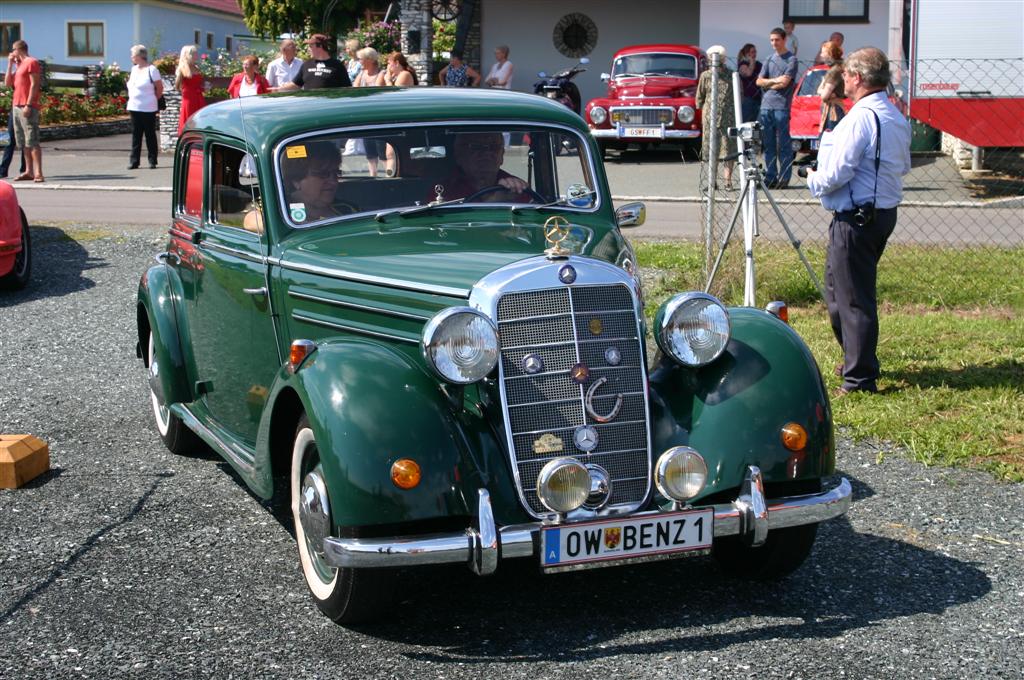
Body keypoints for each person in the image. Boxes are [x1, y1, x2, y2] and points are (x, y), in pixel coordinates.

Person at [805, 47, 911, 396]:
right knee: (838, 291)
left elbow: (837, 172)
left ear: (859, 79)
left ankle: (860, 378)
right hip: (879, 214)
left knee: (853, 298)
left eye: (847, 74)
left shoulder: (861, 118)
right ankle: (854, 358)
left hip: (857, 218)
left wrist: (812, 178)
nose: (844, 80)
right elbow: (904, 166)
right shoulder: (895, 116)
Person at [756, 27, 798, 189]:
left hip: (781, 107)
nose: (774, 43)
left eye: (777, 40)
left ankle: (784, 177)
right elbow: (759, 81)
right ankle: (771, 176)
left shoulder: (791, 60)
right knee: (768, 144)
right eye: (772, 40)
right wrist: (774, 81)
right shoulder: (769, 59)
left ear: (784, 40)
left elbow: (785, 83)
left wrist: (769, 82)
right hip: (766, 106)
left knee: (783, 144)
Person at [433, 131, 528, 202]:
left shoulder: (516, 188)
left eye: (493, 147)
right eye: (476, 146)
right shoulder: (442, 190)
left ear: (502, 155)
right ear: (459, 154)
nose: (486, 153)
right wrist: (495, 201)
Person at [696, 45, 737, 190]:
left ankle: (728, 181)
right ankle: (712, 182)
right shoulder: (706, 76)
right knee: (710, 150)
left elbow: (739, 96)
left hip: (728, 118)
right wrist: (704, 113)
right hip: (710, 119)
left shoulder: (732, 75)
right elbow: (700, 97)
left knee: (728, 150)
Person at [279, 141, 348, 223]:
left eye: (336, 173)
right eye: (323, 174)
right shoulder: (278, 215)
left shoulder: (348, 211)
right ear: (296, 180)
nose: (333, 182)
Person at [4, 40, 43, 182]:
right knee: (22, 142)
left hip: (27, 106)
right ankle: (28, 171)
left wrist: (29, 104)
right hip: (16, 105)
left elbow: (35, 84)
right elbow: (8, 83)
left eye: (13, 50)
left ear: (18, 49)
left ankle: (38, 172)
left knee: (32, 140)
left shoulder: (31, 62)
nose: (12, 53)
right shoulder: (19, 66)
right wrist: (10, 64)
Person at [126, 44, 163, 170]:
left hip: (148, 107)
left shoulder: (152, 70)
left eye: (133, 54)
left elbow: (159, 88)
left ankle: (152, 160)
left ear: (139, 56)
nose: (131, 57)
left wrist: (153, 100)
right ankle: (134, 161)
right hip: (134, 106)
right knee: (136, 135)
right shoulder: (134, 69)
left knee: (150, 134)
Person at [279, 34, 351, 91]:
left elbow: (347, 89)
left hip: (329, 107)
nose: (308, 49)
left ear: (320, 46)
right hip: (311, 107)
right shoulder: (306, 65)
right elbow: (295, 85)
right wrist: (278, 89)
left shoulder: (337, 66)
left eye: (310, 46)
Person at [175, 44, 206, 136]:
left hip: (198, 97)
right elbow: (177, 86)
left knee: (200, 120)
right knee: (189, 119)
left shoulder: (196, 67)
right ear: (188, 55)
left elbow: (198, 84)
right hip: (189, 99)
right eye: (194, 53)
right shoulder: (182, 68)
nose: (197, 55)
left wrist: (204, 88)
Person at [816, 41, 846, 135]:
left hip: (833, 110)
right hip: (833, 108)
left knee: (830, 138)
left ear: (830, 54)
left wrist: (821, 91)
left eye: (823, 52)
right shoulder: (838, 68)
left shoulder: (834, 71)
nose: (821, 55)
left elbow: (824, 96)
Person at [736, 43, 763, 123]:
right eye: (752, 52)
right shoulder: (743, 64)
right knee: (744, 123)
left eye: (755, 52)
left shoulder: (758, 64)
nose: (754, 54)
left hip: (758, 98)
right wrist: (751, 62)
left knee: (754, 125)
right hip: (748, 98)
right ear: (747, 54)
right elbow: (748, 73)